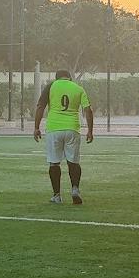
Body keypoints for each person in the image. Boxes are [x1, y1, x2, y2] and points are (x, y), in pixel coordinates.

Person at [33, 68, 93, 205]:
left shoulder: (51, 86)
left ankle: (57, 195)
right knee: (73, 162)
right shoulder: (78, 88)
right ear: (69, 78)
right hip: (72, 128)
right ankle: (75, 189)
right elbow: (88, 110)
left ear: (57, 78)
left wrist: (36, 127)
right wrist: (90, 130)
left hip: (54, 128)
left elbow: (40, 106)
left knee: (54, 163)